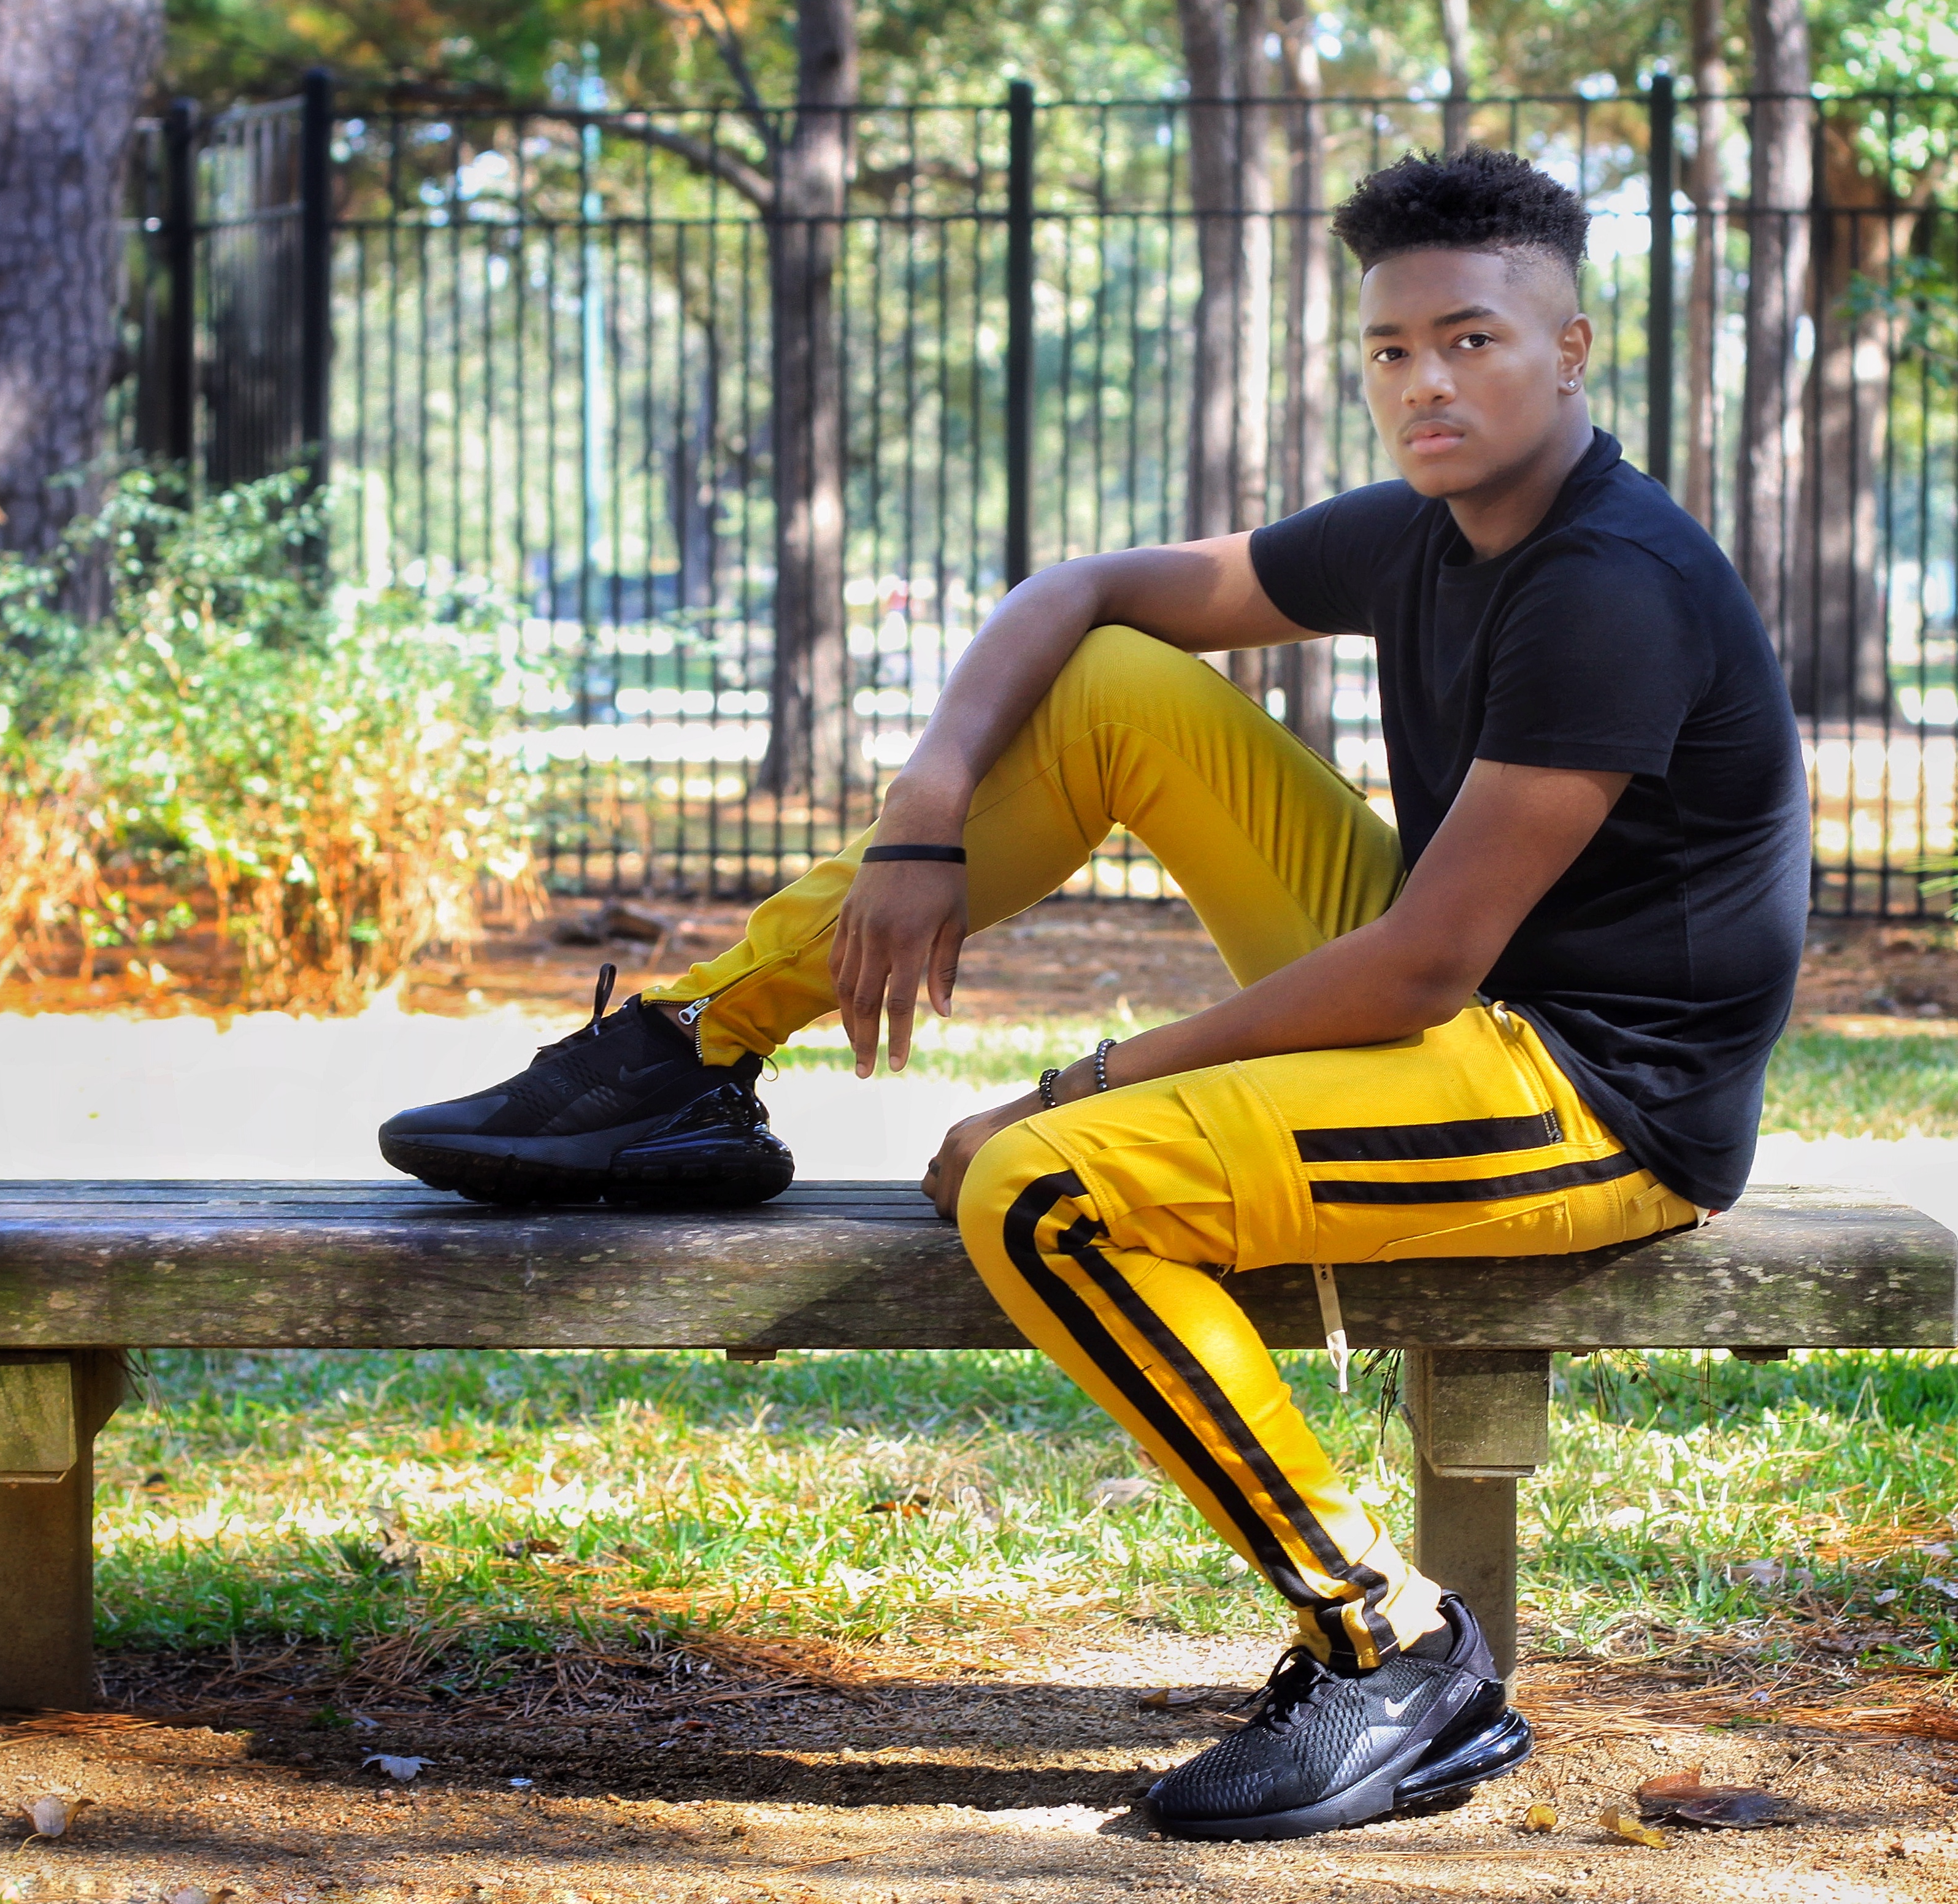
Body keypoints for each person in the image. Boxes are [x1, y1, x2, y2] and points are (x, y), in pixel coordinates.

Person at [378, 147, 1808, 1841]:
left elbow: (1423, 964)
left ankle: (1394, 1644)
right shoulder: (1425, 532)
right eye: (1391, 348)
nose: (1425, 382)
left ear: (1570, 352)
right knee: (1119, 682)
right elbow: (1083, 596)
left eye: (1472, 340)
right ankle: (692, 1048)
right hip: (1463, 1000)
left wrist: (1078, 1088)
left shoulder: (1612, 585)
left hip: (1594, 1097)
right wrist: (924, 812)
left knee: (1042, 1189)